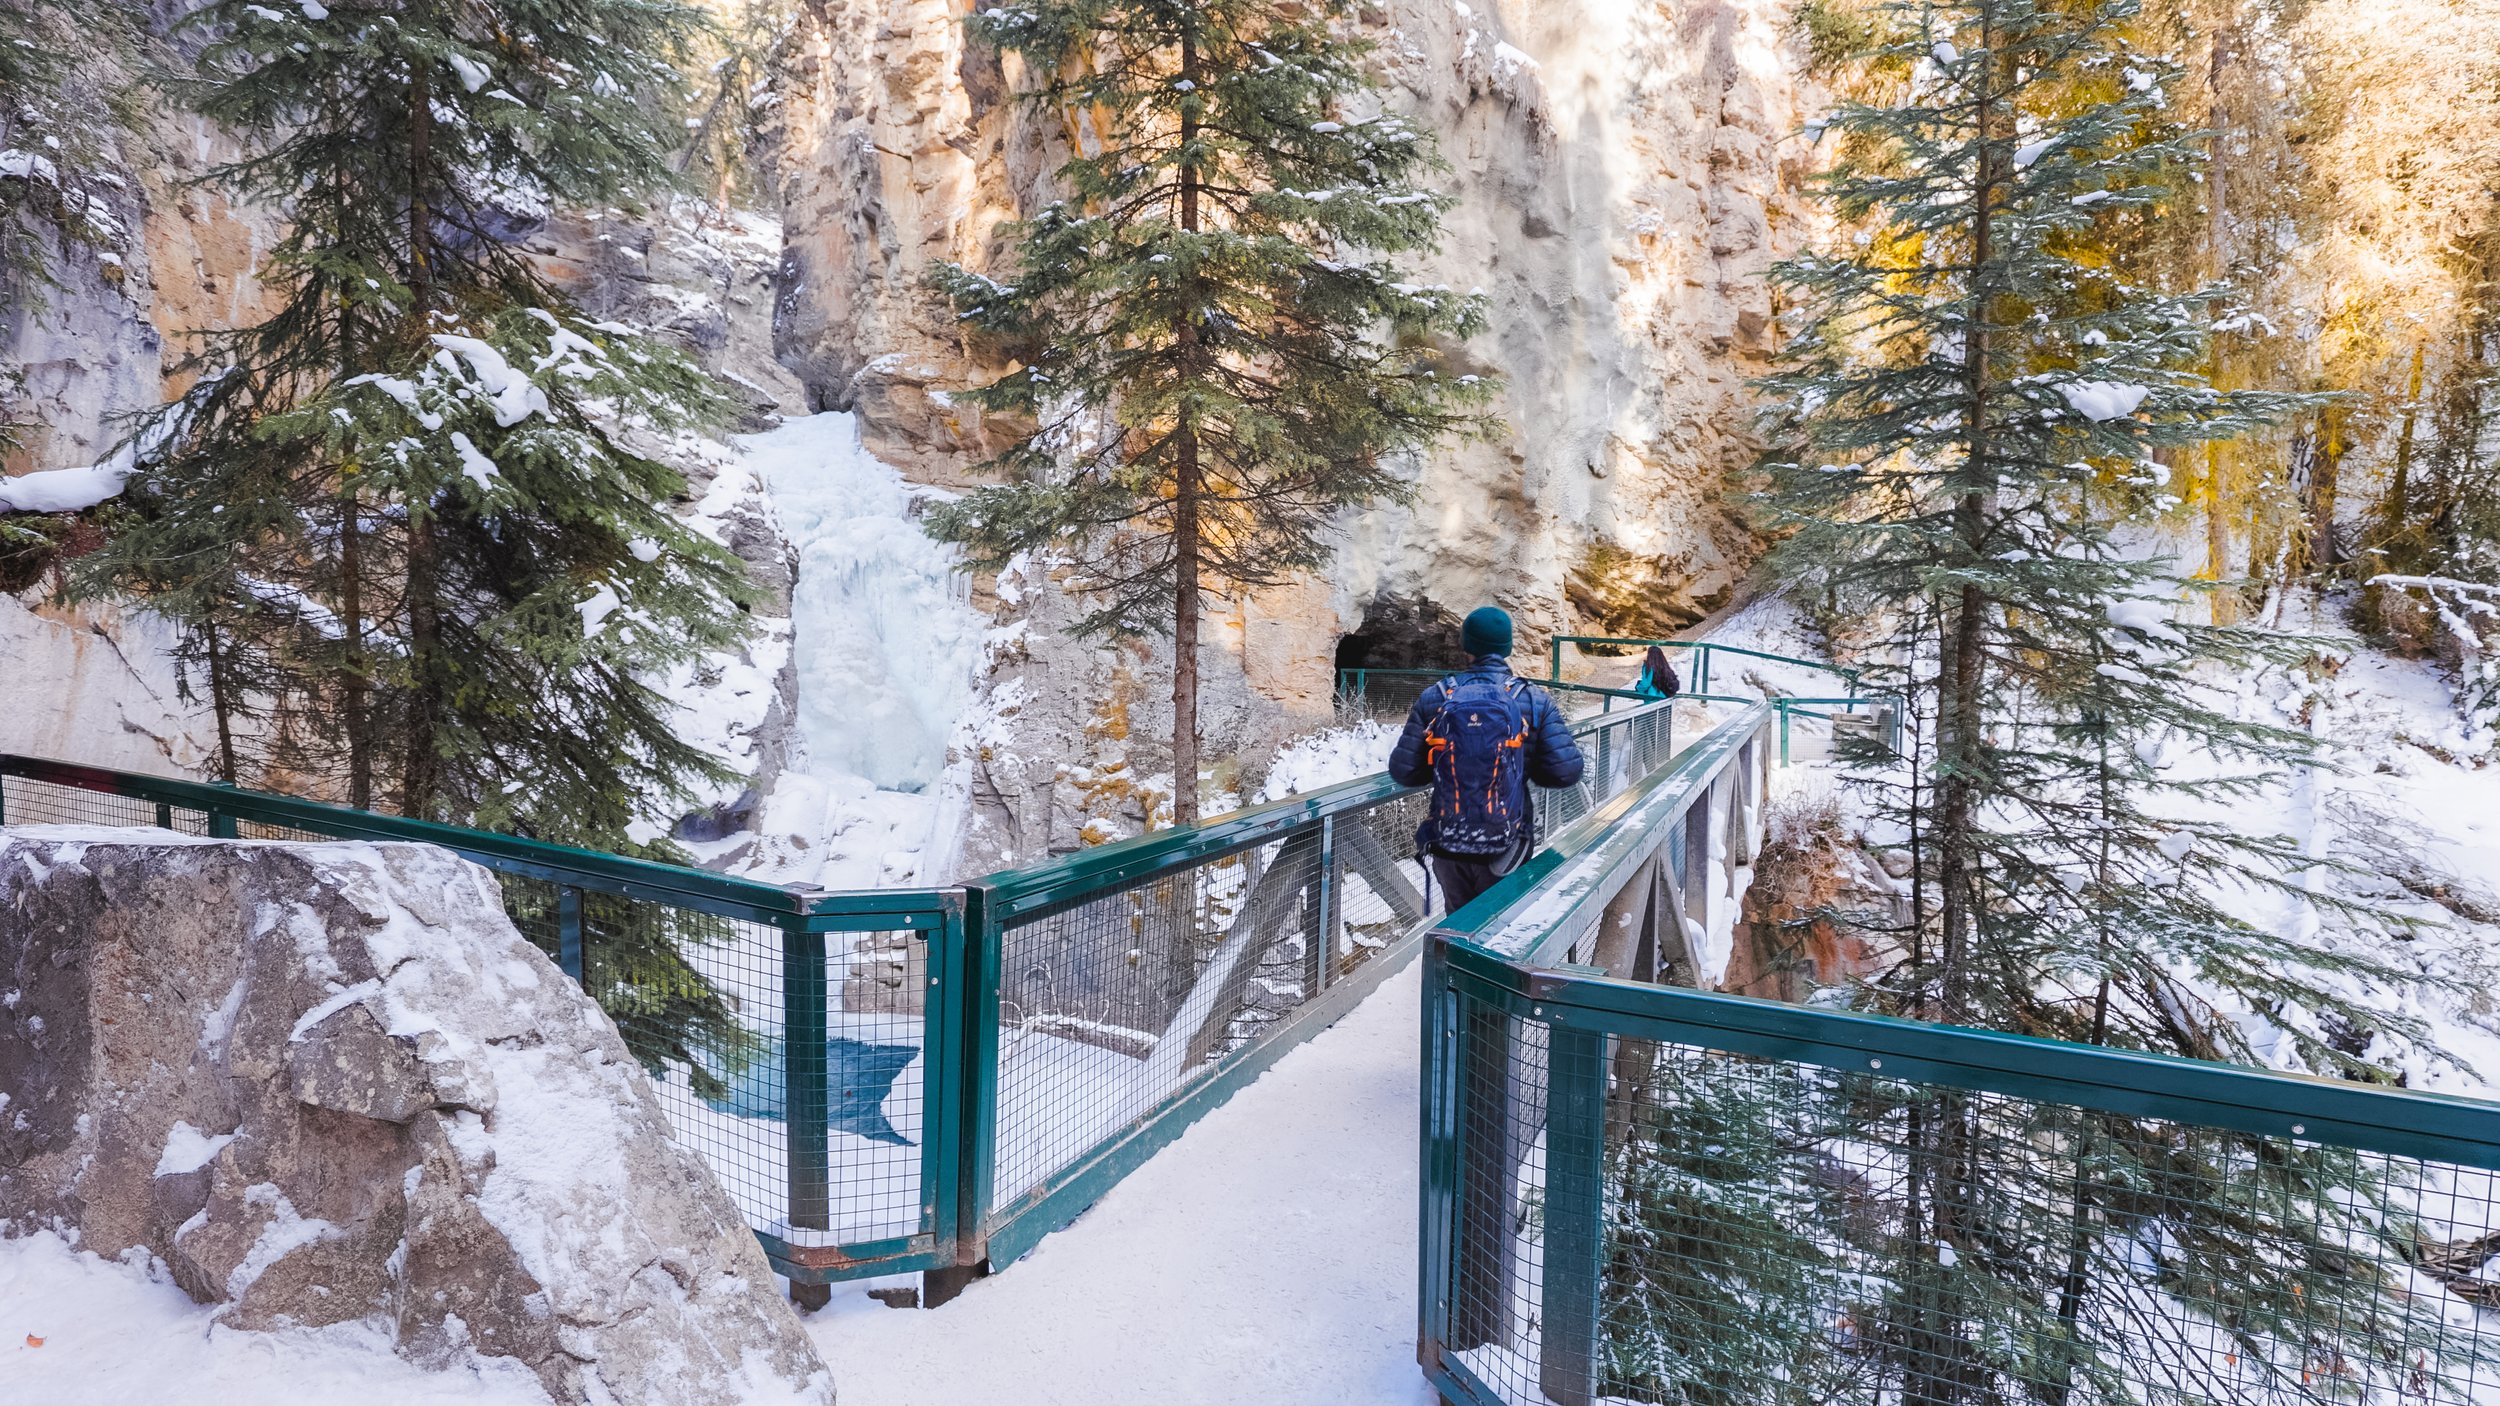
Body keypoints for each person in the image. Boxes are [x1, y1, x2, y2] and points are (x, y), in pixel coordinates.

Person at [1388, 606, 1586, 913]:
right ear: (1507, 647)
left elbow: (1404, 771)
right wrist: (1520, 765)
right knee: (1501, 925)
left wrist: (1454, 760)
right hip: (1508, 842)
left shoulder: (1436, 696)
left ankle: (1454, 959)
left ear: (1466, 645)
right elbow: (1566, 772)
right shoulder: (1533, 699)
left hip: (1449, 841)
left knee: (1457, 924)